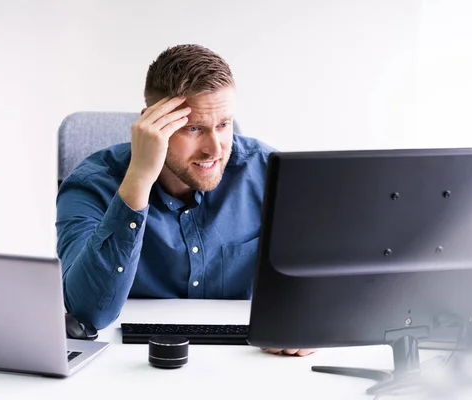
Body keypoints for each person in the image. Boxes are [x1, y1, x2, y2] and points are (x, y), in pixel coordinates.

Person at [56, 44, 314, 356]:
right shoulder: (91, 183)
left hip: (244, 359)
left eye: (223, 125)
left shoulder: (267, 172)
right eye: (194, 128)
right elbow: (86, 314)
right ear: (152, 125)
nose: (215, 149)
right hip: (128, 361)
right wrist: (138, 178)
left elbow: (314, 276)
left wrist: (306, 320)